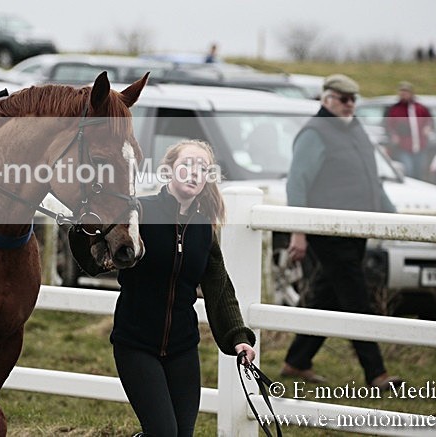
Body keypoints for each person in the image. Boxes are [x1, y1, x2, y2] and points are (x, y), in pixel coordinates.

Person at [110, 139, 256, 437]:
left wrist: (238, 337)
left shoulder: (204, 228)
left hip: (182, 347)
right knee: (164, 432)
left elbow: (219, 286)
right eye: (187, 165)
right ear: (167, 172)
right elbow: (100, 251)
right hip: (136, 344)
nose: (194, 173)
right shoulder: (140, 213)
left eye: (203, 168)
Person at [281, 74, 401, 391]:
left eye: (353, 100)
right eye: (343, 99)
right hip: (328, 232)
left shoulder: (355, 128)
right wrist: (299, 232)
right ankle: (376, 373)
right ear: (327, 99)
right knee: (356, 298)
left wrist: (395, 219)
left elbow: (371, 180)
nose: (350, 105)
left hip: (355, 229)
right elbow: (297, 184)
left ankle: (296, 360)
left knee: (328, 295)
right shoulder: (314, 133)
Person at [384, 81, 434, 180]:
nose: (404, 94)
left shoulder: (420, 108)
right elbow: (388, 126)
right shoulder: (394, 110)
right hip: (404, 147)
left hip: (420, 145)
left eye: (406, 92)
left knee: (419, 171)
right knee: (408, 170)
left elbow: (430, 121)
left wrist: (428, 128)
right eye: (402, 92)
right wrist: (393, 135)